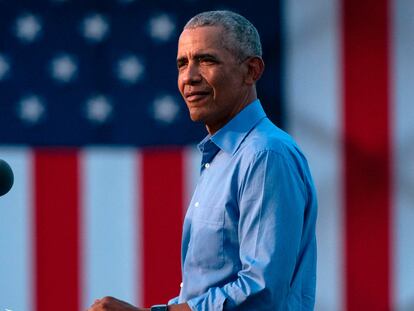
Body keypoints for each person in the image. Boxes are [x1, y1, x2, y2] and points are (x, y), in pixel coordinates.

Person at [88, 10, 317, 311]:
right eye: (182, 63)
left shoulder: (265, 155)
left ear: (252, 71)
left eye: (207, 60)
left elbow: (261, 293)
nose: (189, 77)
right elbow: (205, 292)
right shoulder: (222, 157)